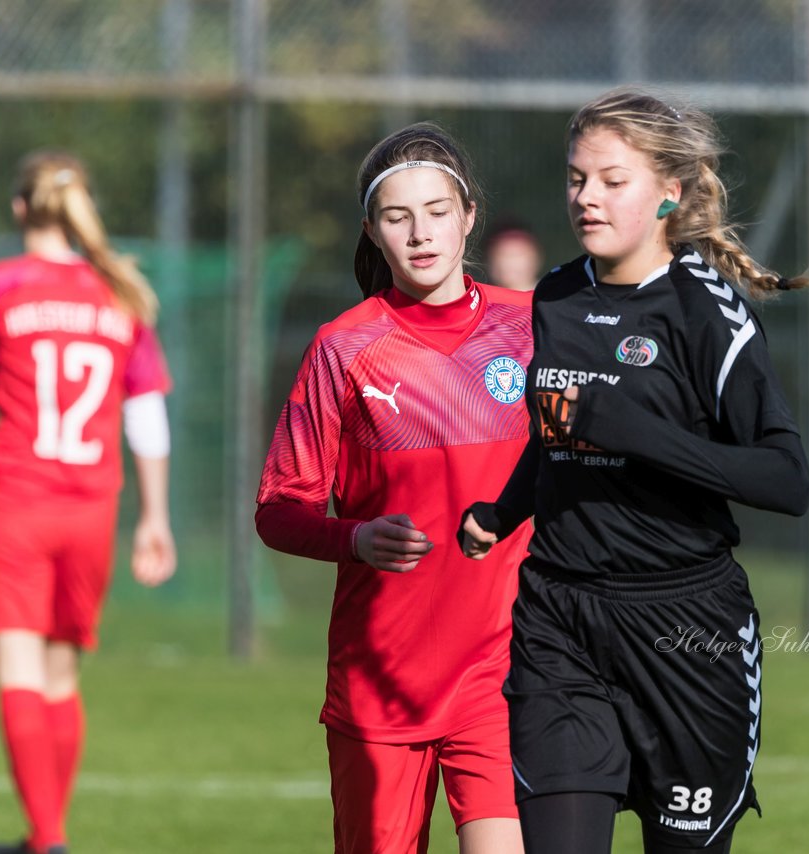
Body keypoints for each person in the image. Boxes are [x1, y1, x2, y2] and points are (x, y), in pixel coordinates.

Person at [459, 88, 809, 854]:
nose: (586, 198)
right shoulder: (554, 295)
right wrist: (505, 509)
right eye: (576, 178)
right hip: (561, 618)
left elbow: (788, 481)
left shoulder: (706, 314)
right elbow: (561, 431)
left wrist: (642, 434)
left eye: (611, 180)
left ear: (668, 193)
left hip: (687, 632)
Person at [255, 123, 533, 854]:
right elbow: (280, 511)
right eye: (397, 216)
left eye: (438, 212)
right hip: (380, 679)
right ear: (372, 231)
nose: (421, 233)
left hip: (502, 670)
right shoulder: (343, 347)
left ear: (468, 215)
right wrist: (355, 536)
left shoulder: (532, 329)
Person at [0, 151, 176, 854]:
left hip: (16, 499)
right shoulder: (117, 293)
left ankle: (47, 840)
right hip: (91, 509)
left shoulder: (0, 284)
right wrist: (154, 517)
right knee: (61, 675)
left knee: (17, 672)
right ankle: (46, 836)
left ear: (19, 209)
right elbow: (147, 417)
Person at [482, 217, 543, 292]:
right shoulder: (478, 298)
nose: (510, 263)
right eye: (503, 254)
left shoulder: (550, 297)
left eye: (517, 254)